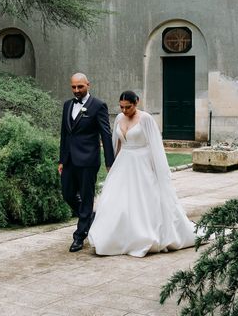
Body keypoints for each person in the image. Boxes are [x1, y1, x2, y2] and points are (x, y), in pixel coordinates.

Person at [87, 90, 198, 257]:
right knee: (117, 200)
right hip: (123, 163)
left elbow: (155, 147)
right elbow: (116, 144)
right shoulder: (119, 118)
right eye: (122, 107)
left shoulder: (145, 119)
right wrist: (112, 165)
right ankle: (116, 237)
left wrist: (157, 171)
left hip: (142, 163)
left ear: (136, 102)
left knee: (143, 201)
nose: (125, 110)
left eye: (128, 107)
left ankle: (144, 236)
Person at [59, 73, 114, 253]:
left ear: (88, 85)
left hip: (88, 160)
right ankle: (90, 217)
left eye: (80, 87)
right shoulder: (68, 105)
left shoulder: (98, 106)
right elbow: (64, 135)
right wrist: (62, 159)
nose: (76, 90)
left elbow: (106, 134)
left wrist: (109, 161)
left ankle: (79, 236)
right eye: (73, 87)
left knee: (86, 196)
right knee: (67, 193)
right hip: (69, 161)